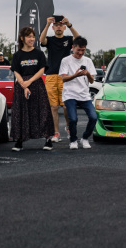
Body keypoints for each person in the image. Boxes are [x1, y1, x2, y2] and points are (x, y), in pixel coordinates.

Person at [10, 27, 55, 151]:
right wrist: (23, 84)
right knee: (21, 113)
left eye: (33, 36)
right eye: (29, 36)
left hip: (37, 86)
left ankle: (48, 139)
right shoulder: (17, 55)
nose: (32, 39)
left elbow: (42, 70)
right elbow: (16, 71)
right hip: (21, 86)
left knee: (42, 111)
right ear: (22, 38)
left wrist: (29, 82)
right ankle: (19, 141)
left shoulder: (39, 53)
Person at [39, 15, 80, 143]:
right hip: (51, 75)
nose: (58, 27)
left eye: (60, 25)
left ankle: (68, 127)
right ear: (53, 28)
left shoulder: (68, 39)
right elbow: (41, 41)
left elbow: (78, 39)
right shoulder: (50, 40)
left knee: (66, 106)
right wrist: (47, 24)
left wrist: (69, 24)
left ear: (63, 28)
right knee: (54, 107)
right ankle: (56, 132)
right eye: (56, 25)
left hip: (64, 76)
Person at [59, 36, 97, 150]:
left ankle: (85, 138)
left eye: (83, 50)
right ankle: (73, 140)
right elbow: (63, 79)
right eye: (78, 50)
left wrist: (87, 74)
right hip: (70, 94)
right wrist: (76, 75)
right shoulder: (66, 60)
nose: (80, 53)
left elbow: (92, 81)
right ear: (73, 47)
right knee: (73, 119)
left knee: (93, 117)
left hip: (84, 95)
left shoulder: (88, 61)